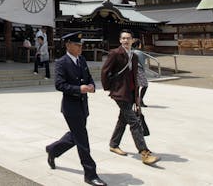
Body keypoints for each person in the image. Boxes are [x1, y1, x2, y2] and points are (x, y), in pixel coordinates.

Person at [45, 32, 106, 186]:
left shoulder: (82, 60)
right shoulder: (61, 62)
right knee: (82, 140)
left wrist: (91, 85)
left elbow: (89, 77)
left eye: (81, 45)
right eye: (77, 45)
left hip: (83, 105)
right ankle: (90, 174)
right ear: (68, 45)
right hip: (71, 108)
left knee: (76, 135)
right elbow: (59, 85)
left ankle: (53, 149)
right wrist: (79, 89)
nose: (80, 48)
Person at [101, 29, 160, 165]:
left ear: (132, 40)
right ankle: (144, 152)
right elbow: (105, 71)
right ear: (120, 40)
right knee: (134, 122)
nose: (126, 41)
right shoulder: (115, 53)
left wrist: (137, 97)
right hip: (119, 93)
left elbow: (134, 77)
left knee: (123, 120)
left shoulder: (134, 56)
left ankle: (114, 144)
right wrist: (109, 88)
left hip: (131, 92)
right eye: (123, 38)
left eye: (128, 38)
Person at [132, 39, 149, 107]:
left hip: (132, 70)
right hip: (139, 69)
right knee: (145, 85)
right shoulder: (139, 53)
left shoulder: (130, 51)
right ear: (138, 45)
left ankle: (136, 100)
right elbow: (143, 60)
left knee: (137, 86)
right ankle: (140, 100)